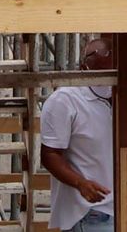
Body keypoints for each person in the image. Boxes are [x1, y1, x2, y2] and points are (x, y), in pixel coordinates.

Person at [41, 38, 116, 232]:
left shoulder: (124, 97)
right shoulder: (65, 100)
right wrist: (80, 183)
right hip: (90, 213)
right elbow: (50, 154)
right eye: (103, 68)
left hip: (125, 207)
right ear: (84, 67)